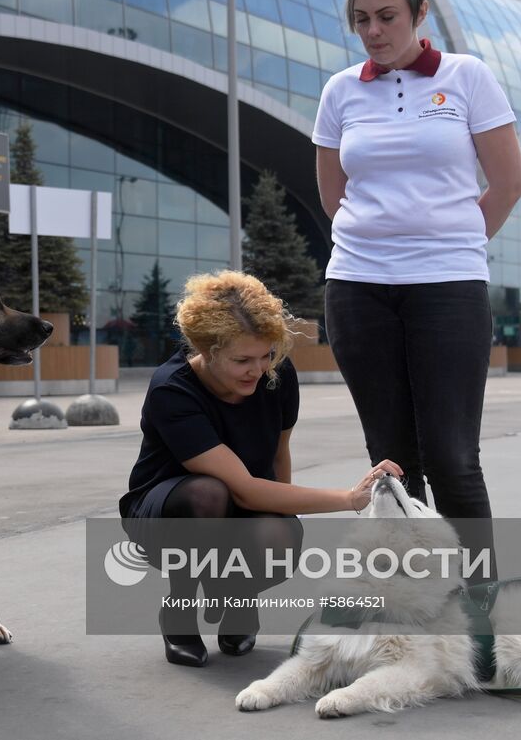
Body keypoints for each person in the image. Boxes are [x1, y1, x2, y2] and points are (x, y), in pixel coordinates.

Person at [313, 0, 521, 577]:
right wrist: (376, 245)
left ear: (419, 12)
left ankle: (480, 605)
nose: (374, 31)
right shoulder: (340, 90)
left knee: (454, 456)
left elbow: (508, 184)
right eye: (361, 21)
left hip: (448, 287)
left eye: (386, 16)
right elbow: (334, 197)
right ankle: (419, 605)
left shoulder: (467, 77)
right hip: (357, 288)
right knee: (392, 459)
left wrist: (452, 244)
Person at [120, 270, 403, 668]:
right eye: (242, 360)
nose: (258, 369)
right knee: (207, 493)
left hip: (242, 497)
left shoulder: (276, 374)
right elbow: (242, 490)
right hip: (170, 512)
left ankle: (238, 598)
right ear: (207, 348)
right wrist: (349, 499)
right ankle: (180, 610)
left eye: (266, 354)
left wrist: (279, 517)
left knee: (276, 534)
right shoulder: (172, 390)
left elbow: (277, 455)